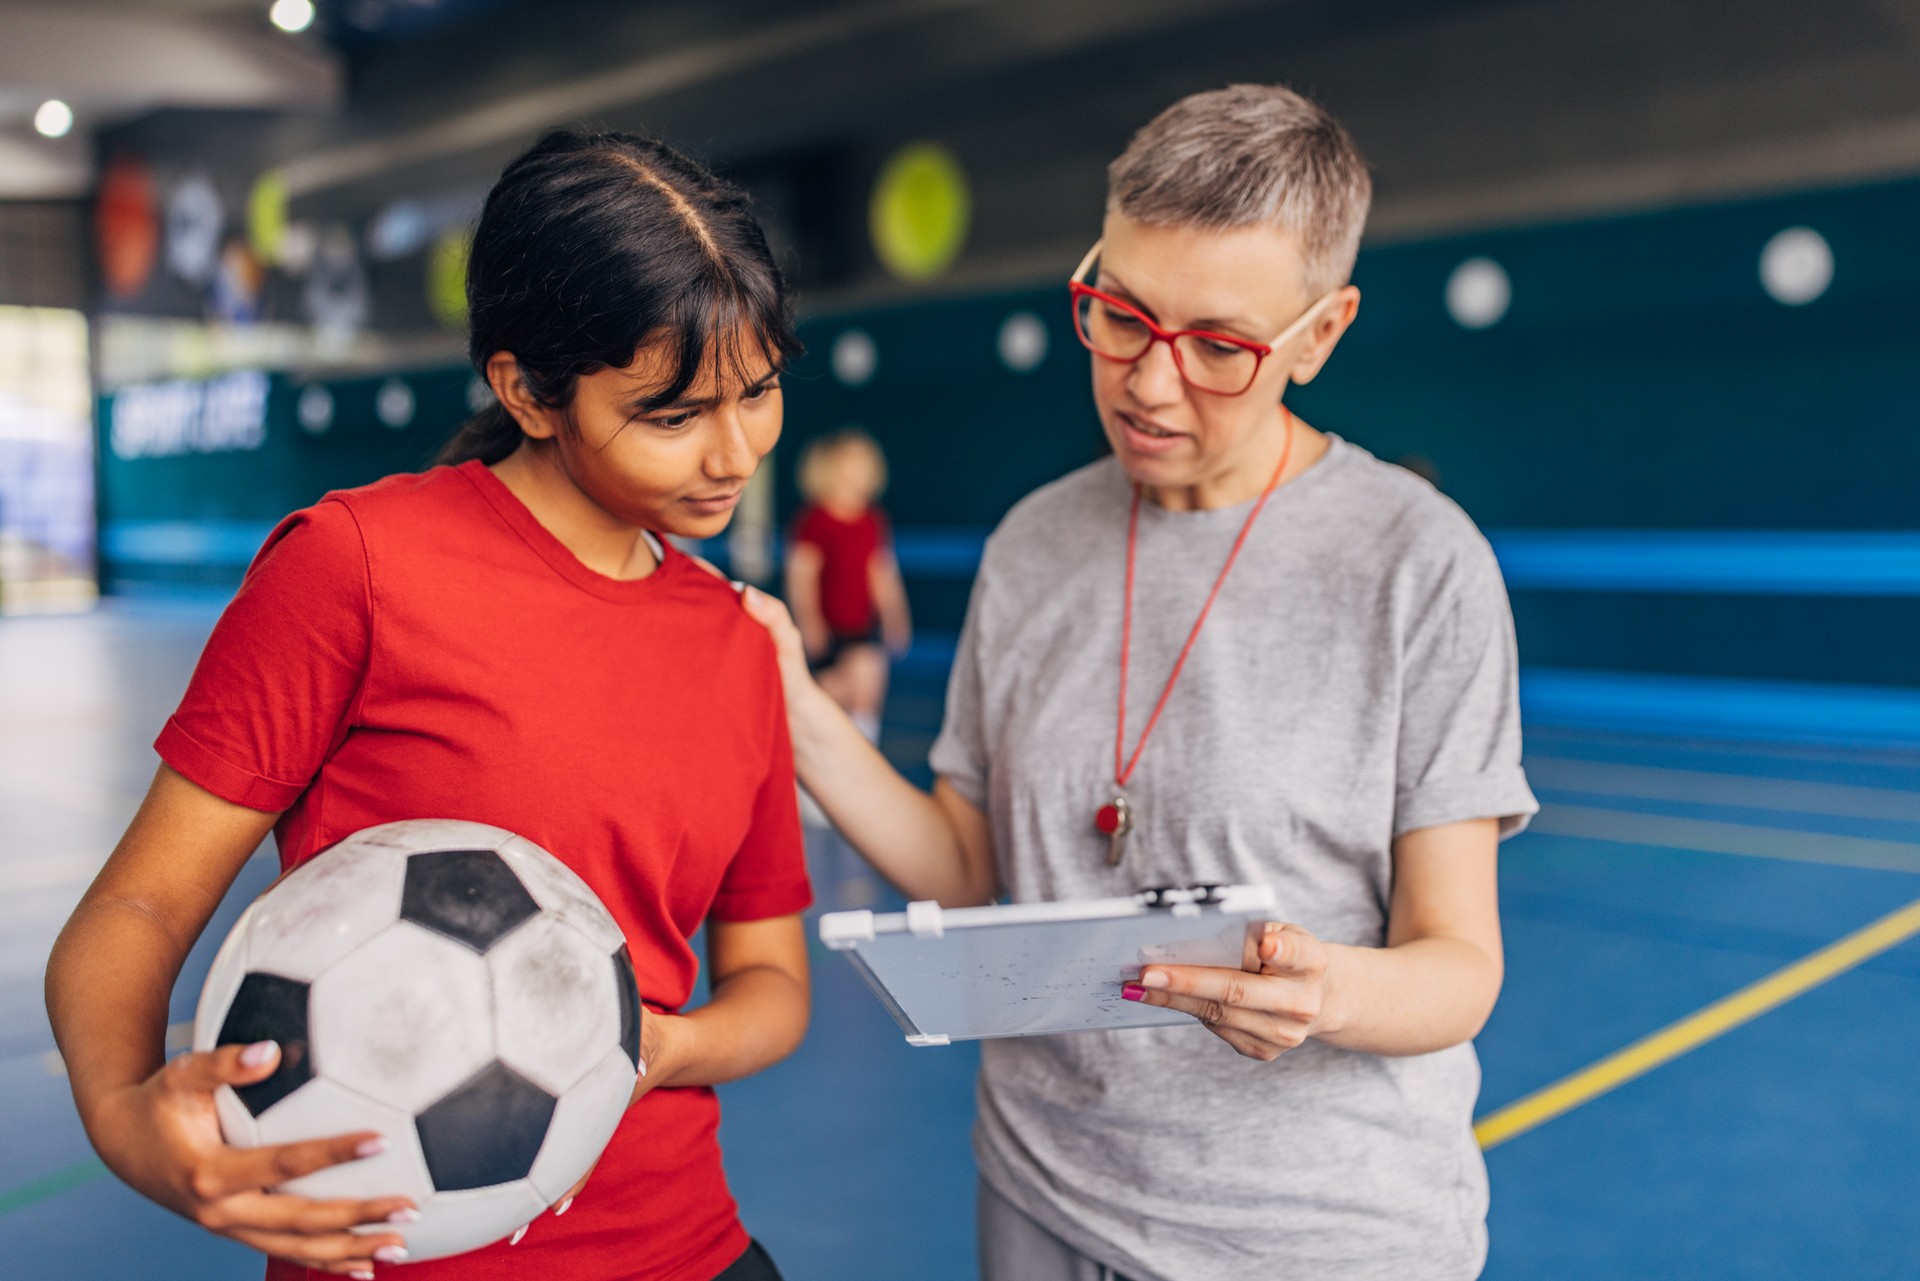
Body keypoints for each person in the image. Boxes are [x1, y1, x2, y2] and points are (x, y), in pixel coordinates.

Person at [741, 84, 1538, 1280]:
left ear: (1319, 336)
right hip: (1041, 1196)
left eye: (1219, 346)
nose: (1149, 384)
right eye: (1120, 314)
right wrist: (796, 710)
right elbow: (972, 864)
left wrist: (1330, 990)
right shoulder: (1031, 546)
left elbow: (1457, 966)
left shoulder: (1420, 566)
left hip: (1314, 1237)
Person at [46, 130, 812, 1281]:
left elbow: (771, 986)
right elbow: (142, 909)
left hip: (686, 1250)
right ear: (526, 390)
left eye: (758, 394)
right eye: (673, 415)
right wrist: (125, 1119)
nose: (736, 451)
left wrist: (655, 1044)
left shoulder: (736, 642)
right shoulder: (354, 567)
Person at [786, 428, 911, 744]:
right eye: (847, 468)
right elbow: (802, 577)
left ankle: (866, 744)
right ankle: (826, 751)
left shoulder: (872, 520)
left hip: (862, 624)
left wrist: (896, 617)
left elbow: (881, 574)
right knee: (833, 693)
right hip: (829, 627)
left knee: (869, 678)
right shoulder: (815, 521)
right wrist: (810, 623)